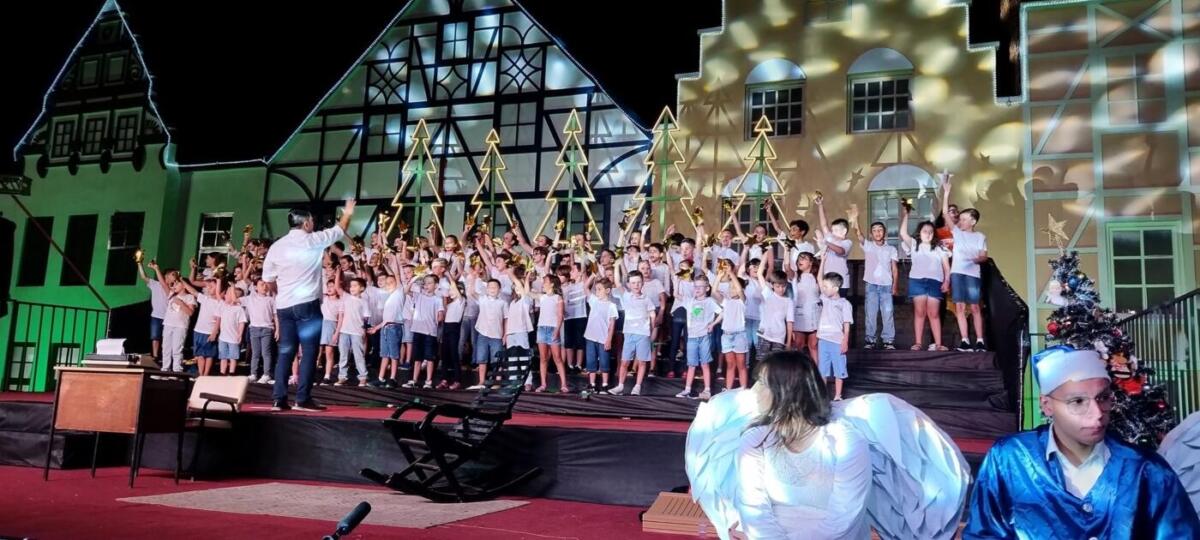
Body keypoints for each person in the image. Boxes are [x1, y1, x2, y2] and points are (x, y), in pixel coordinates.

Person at [965, 346, 1200, 538]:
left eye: (1103, 398)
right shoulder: (1011, 458)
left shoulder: (1147, 470)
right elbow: (984, 533)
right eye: (1078, 401)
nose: (1097, 413)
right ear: (1047, 405)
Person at [735, 353, 872, 539]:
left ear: (789, 391)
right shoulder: (755, 440)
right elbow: (753, 508)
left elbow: (843, 520)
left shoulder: (845, 442)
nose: (754, 391)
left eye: (763, 383)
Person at [262, 199, 355, 411]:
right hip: (307, 306)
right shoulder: (313, 240)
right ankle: (302, 399)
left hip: (284, 306)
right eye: (312, 221)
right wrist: (349, 211)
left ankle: (279, 399)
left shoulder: (276, 247)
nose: (313, 224)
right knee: (310, 351)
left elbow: (268, 280)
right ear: (305, 223)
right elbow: (340, 228)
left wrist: (280, 292)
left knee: (285, 351)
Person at [941, 178, 988, 352]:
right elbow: (945, 213)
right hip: (957, 273)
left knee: (975, 307)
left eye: (964, 219)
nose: (960, 222)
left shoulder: (980, 237)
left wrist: (976, 260)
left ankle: (980, 340)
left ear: (973, 222)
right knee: (959, 306)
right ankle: (965, 340)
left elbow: (984, 256)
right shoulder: (957, 233)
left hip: (973, 275)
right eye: (959, 219)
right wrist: (946, 192)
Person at [899, 204, 950, 351]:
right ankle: (918, 343)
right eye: (925, 231)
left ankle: (938, 344)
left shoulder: (940, 247)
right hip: (917, 281)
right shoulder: (914, 244)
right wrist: (906, 214)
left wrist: (947, 281)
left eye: (930, 231)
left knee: (933, 313)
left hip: (935, 281)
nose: (928, 234)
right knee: (920, 312)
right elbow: (903, 233)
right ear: (919, 233)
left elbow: (946, 267)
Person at [850, 207, 898, 350]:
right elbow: (859, 235)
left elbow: (894, 269)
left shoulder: (891, 249)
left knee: (887, 313)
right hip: (871, 285)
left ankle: (888, 341)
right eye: (875, 230)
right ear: (871, 234)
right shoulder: (868, 246)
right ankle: (870, 340)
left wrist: (895, 285)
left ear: (885, 233)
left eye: (880, 230)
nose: (878, 232)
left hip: (886, 285)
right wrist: (856, 219)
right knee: (870, 313)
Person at [611, 268, 656, 396]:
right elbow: (617, 282)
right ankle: (620, 385)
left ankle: (637, 386)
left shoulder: (647, 299)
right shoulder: (626, 295)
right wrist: (618, 264)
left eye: (638, 282)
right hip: (629, 333)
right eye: (633, 283)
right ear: (629, 284)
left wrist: (651, 330)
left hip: (643, 334)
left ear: (643, 283)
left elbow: (652, 314)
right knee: (625, 361)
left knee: (642, 361)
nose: (636, 285)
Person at [676, 275, 722, 400]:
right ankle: (687, 389)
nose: (697, 289)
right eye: (695, 286)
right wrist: (677, 281)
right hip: (692, 337)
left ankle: (707, 390)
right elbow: (676, 295)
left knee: (705, 364)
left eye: (700, 287)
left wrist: (712, 324)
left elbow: (722, 312)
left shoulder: (710, 301)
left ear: (707, 288)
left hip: (704, 336)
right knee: (691, 364)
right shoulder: (690, 301)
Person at [815, 271, 852, 401]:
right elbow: (819, 278)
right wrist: (823, 261)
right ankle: (823, 396)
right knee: (823, 369)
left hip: (837, 341)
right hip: (823, 339)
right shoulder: (824, 299)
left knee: (839, 369)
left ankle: (837, 395)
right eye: (823, 287)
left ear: (835, 288)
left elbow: (846, 324)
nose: (824, 289)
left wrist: (845, 341)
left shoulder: (844, 304)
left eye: (827, 287)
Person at [404, 274, 445, 389]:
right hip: (418, 330)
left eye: (429, 283)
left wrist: (438, 319)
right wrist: (414, 278)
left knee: (429, 358)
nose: (426, 285)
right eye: (425, 283)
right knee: (417, 357)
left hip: (430, 332)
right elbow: (406, 291)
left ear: (436, 285)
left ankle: (428, 381)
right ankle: (414, 380)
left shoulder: (437, 299)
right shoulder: (418, 296)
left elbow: (440, 315)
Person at [582, 277, 620, 395]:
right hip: (591, 337)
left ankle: (604, 385)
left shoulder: (611, 306)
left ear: (607, 291)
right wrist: (593, 276)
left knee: (604, 361)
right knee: (591, 361)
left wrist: (609, 339)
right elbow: (585, 287)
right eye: (596, 289)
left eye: (599, 289)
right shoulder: (594, 301)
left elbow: (612, 324)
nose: (597, 292)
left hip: (603, 338)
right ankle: (592, 384)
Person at [815, 194, 853, 299]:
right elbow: (824, 224)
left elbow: (841, 251)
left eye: (836, 230)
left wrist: (825, 243)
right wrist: (820, 205)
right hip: (827, 280)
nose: (832, 232)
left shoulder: (847, 242)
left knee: (839, 306)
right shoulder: (830, 238)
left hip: (841, 282)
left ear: (844, 231)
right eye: (832, 230)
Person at [334, 278, 370, 386]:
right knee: (343, 355)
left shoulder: (364, 301)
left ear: (362, 288)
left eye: (355, 286)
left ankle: (363, 377)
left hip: (357, 331)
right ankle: (342, 376)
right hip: (344, 330)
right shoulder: (346, 297)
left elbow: (366, 317)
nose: (352, 288)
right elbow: (337, 287)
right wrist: (338, 273)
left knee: (359, 355)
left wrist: (364, 331)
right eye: (351, 286)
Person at [243, 278, 278, 383]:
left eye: (266, 284)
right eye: (261, 284)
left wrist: (278, 330)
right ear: (256, 287)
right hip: (254, 328)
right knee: (255, 353)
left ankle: (266, 374)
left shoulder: (271, 300)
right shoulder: (250, 299)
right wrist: (231, 287)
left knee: (266, 353)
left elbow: (275, 316)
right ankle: (253, 374)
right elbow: (235, 299)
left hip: (267, 329)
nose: (264, 286)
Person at [160, 273, 195, 373]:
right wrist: (157, 269)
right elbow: (163, 284)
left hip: (180, 326)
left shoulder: (189, 297)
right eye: (174, 284)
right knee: (166, 348)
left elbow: (190, 312)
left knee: (177, 348)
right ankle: (165, 368)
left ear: (184, 285)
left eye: (177, 284)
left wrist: (181, 303)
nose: (174, 285)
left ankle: (177, 369)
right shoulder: (172, 294)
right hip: (168, 324)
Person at [138, 259, 171, 359]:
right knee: (155, 337)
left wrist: (156, 268)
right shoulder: (155, 284)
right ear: (165, 276)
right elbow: (143, 276)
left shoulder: (174, 288)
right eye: (171, 275)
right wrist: (139, 263)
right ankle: (155, 356)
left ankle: (165, 356)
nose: (173, 277)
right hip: (156, 316)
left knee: (167, 339)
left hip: (169, 317)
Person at [214, 286, 248, 376]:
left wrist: (240, 334)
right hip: (223, 337)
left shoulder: (239, 309)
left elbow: (241, 322)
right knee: (223, 356)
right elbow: (218, 294)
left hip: (233, 337)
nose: (226, 295)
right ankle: (222, 372)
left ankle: (232, 372)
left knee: (233, 357)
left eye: (228, 294)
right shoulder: (223, 306)